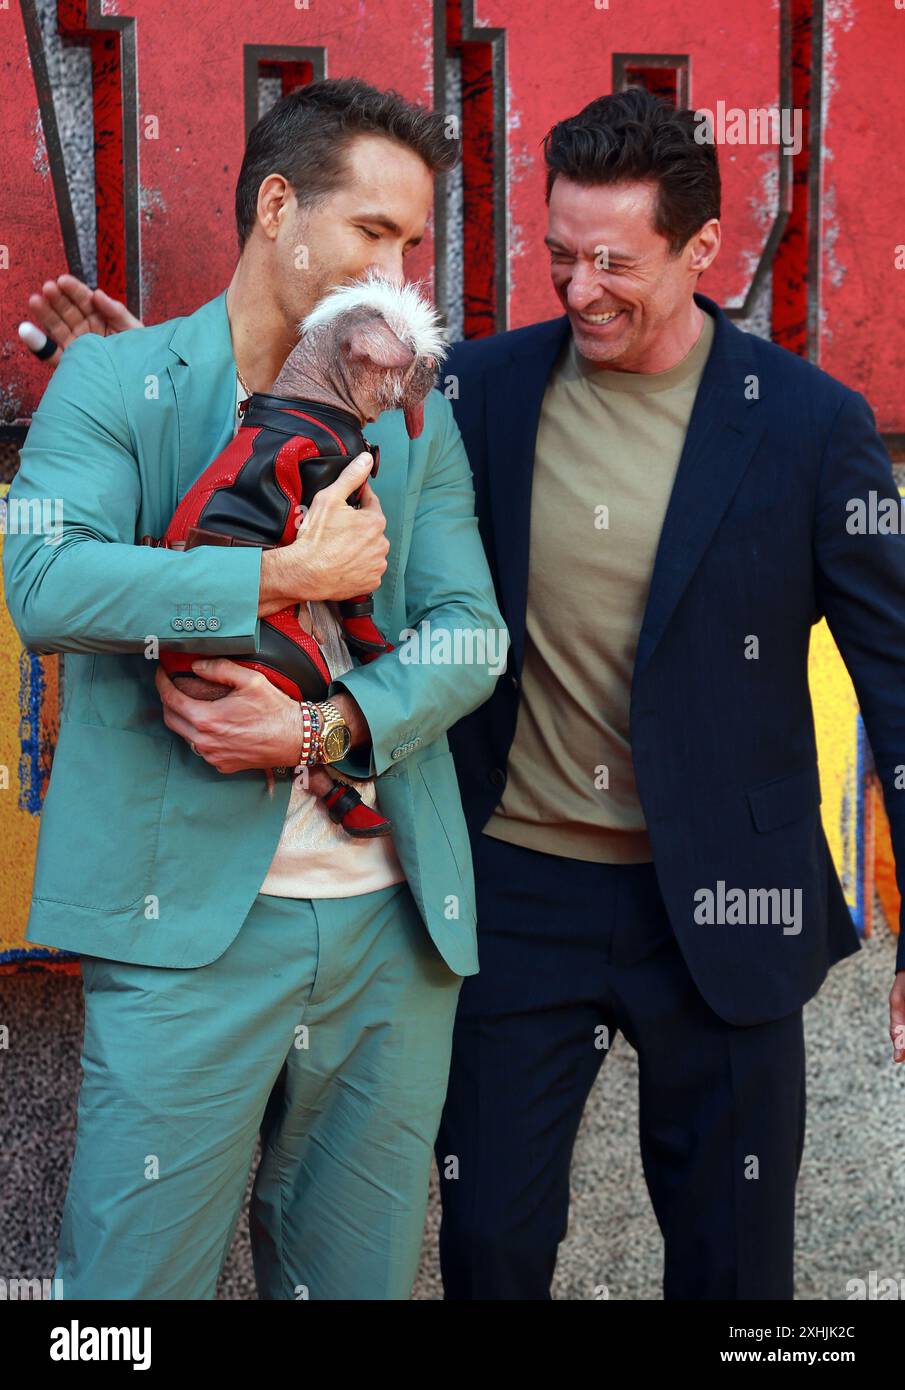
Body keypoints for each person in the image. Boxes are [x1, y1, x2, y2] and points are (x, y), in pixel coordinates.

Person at [3, 77, 505, 1300]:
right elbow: (43, 577)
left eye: (411, 243)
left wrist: (322, 724)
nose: (397, 270)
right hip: (185, 934)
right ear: (276, 205)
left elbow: (468, 634)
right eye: (371, 233)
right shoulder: (115, 382)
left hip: (392, 928)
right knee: (120, 1299)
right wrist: (281, 575)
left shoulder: (412, 415)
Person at [435, 86, 905, 1299]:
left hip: (729, 900)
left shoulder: (807, 425)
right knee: (486, 1248)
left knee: (735, 1266)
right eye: (554, 256)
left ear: (701, 250)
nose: (577, 287)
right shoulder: (477, 392)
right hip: (515, 889)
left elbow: (896, 677)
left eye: (610, 261)